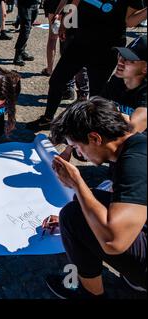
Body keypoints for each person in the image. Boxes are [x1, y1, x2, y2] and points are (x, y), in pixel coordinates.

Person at [44, 97, 147, 298]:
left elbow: (114, 242)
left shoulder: (135, 163)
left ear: (95, 138)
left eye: (76, 147)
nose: (79, 154)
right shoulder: (133, 145)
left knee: (73, 216)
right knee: (83, 205)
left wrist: (77, 183)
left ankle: (90, 295)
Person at [26, 0, 147, 131]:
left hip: (106, 50)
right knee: (56, 80)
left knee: (97, 93)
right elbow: (76, 2)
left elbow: (129, 21)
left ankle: (92, 129)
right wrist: (65, 23)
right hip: (79, 42)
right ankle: (48, 119)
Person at [101, 36, 147, 134]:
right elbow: (94, 107)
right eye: (121, 56)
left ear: (145, 69)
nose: (120, 62)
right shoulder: (118, 80)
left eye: (130, 60)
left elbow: (131, 130)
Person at [13, 0, 39, 66]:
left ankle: (22, 51)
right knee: (25, 30)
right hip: (25, 4)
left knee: (28, 28)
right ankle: (17, 55)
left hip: (35, 3)